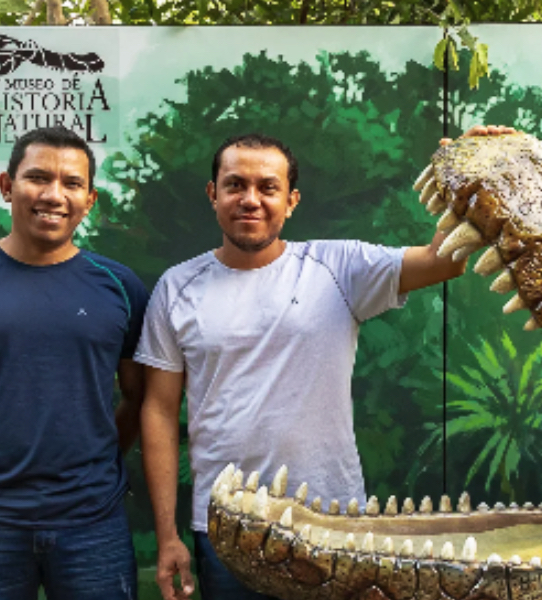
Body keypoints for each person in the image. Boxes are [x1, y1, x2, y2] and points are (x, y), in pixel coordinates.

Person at [137, 126, 514, 600]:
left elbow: (444, 261)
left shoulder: (338, 267)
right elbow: (158, 410)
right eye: (235, 185)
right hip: (225, 526)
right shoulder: (177, 287)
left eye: (267, 187)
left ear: (291, 200)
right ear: (214, 194)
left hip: (333, 522)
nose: (250, 199)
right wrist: (168, 535)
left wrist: (471, 169)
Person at [0, 127, 149, 599]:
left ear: (89, 200)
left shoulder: (120, 287)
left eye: (71, 183)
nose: (54, 195)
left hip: (93, 522)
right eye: (38, 178)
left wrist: (94, 462)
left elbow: (138, 397)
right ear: (6, 186)